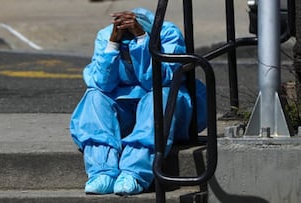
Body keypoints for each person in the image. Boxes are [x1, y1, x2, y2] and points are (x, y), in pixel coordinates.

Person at [70, 7, 207, 195]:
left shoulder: (167, 33)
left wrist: (142, 41)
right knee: (94, 97)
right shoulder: (105, 36)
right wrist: (113, 45)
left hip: (169, 105)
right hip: (127, 107)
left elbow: (159, 80)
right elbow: (101, 83)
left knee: (157, 97)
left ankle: (134, 172)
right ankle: (102, 171)